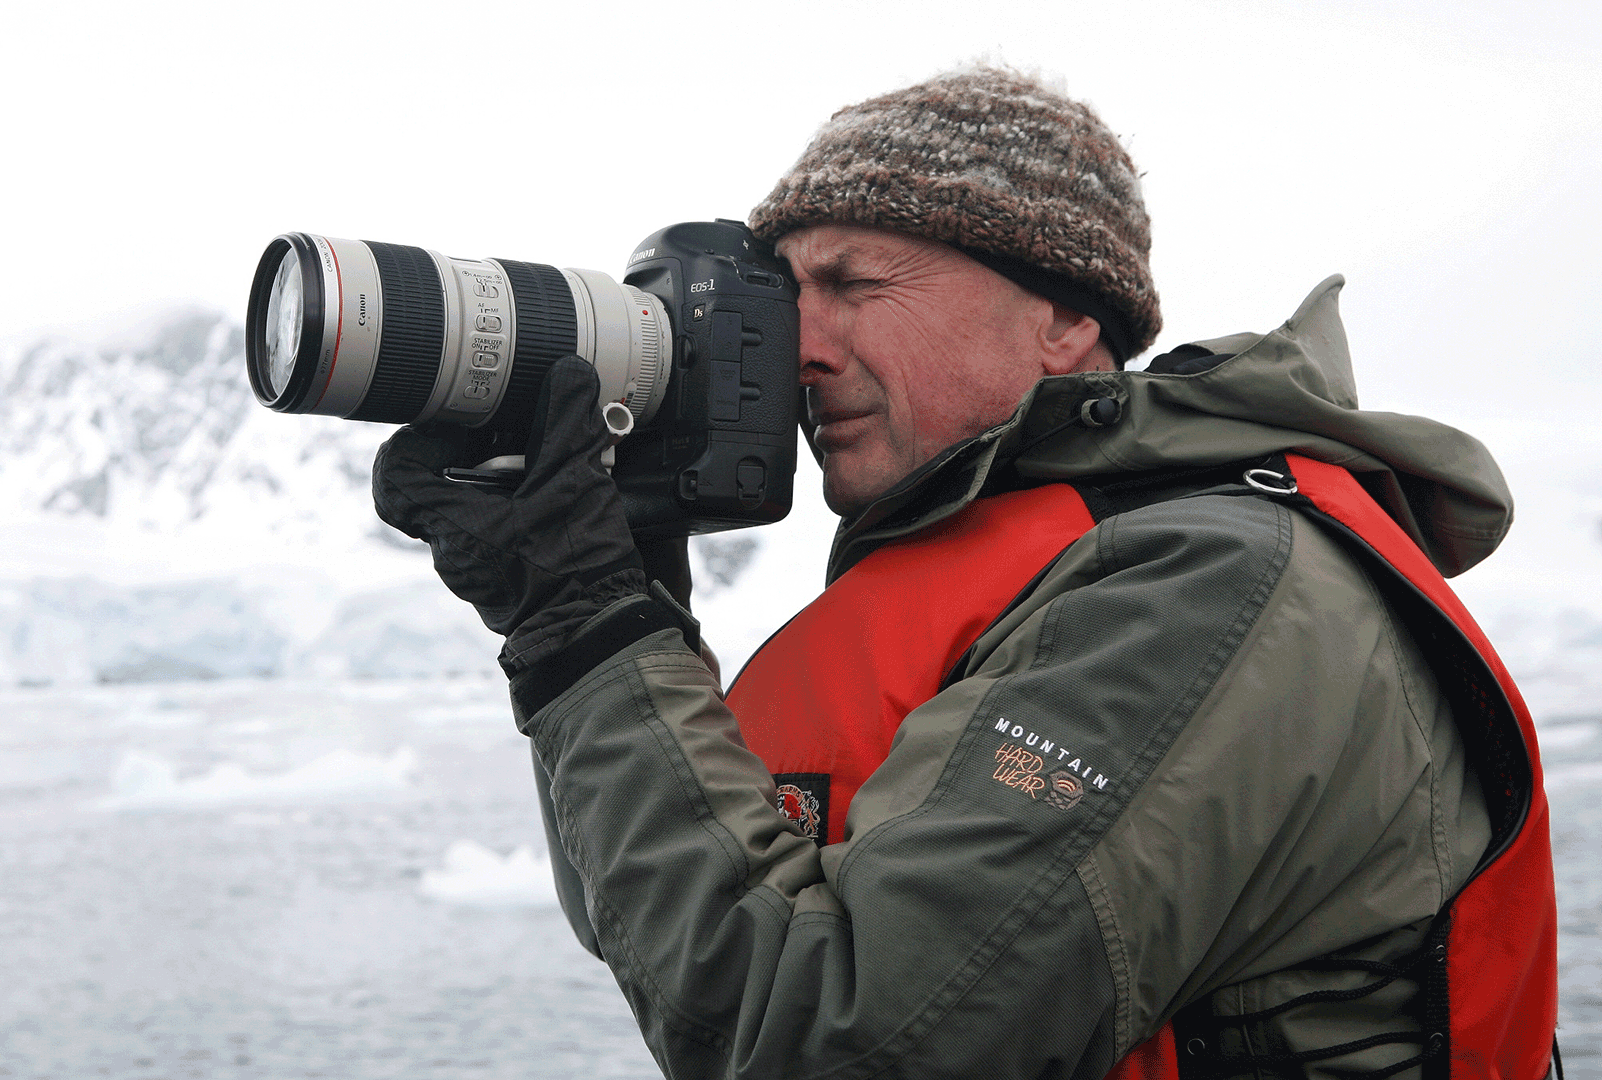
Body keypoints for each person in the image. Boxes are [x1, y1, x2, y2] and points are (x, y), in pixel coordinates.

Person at [372, 67, 1557, 1079]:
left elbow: (838, 1043)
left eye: (856, 286)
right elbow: (662, 930)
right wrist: (610, 597)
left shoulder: (1207, 585)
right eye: (787, 296)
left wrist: (594, 634)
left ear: (1064, 322)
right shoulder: (1043, 567)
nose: (800, 349)